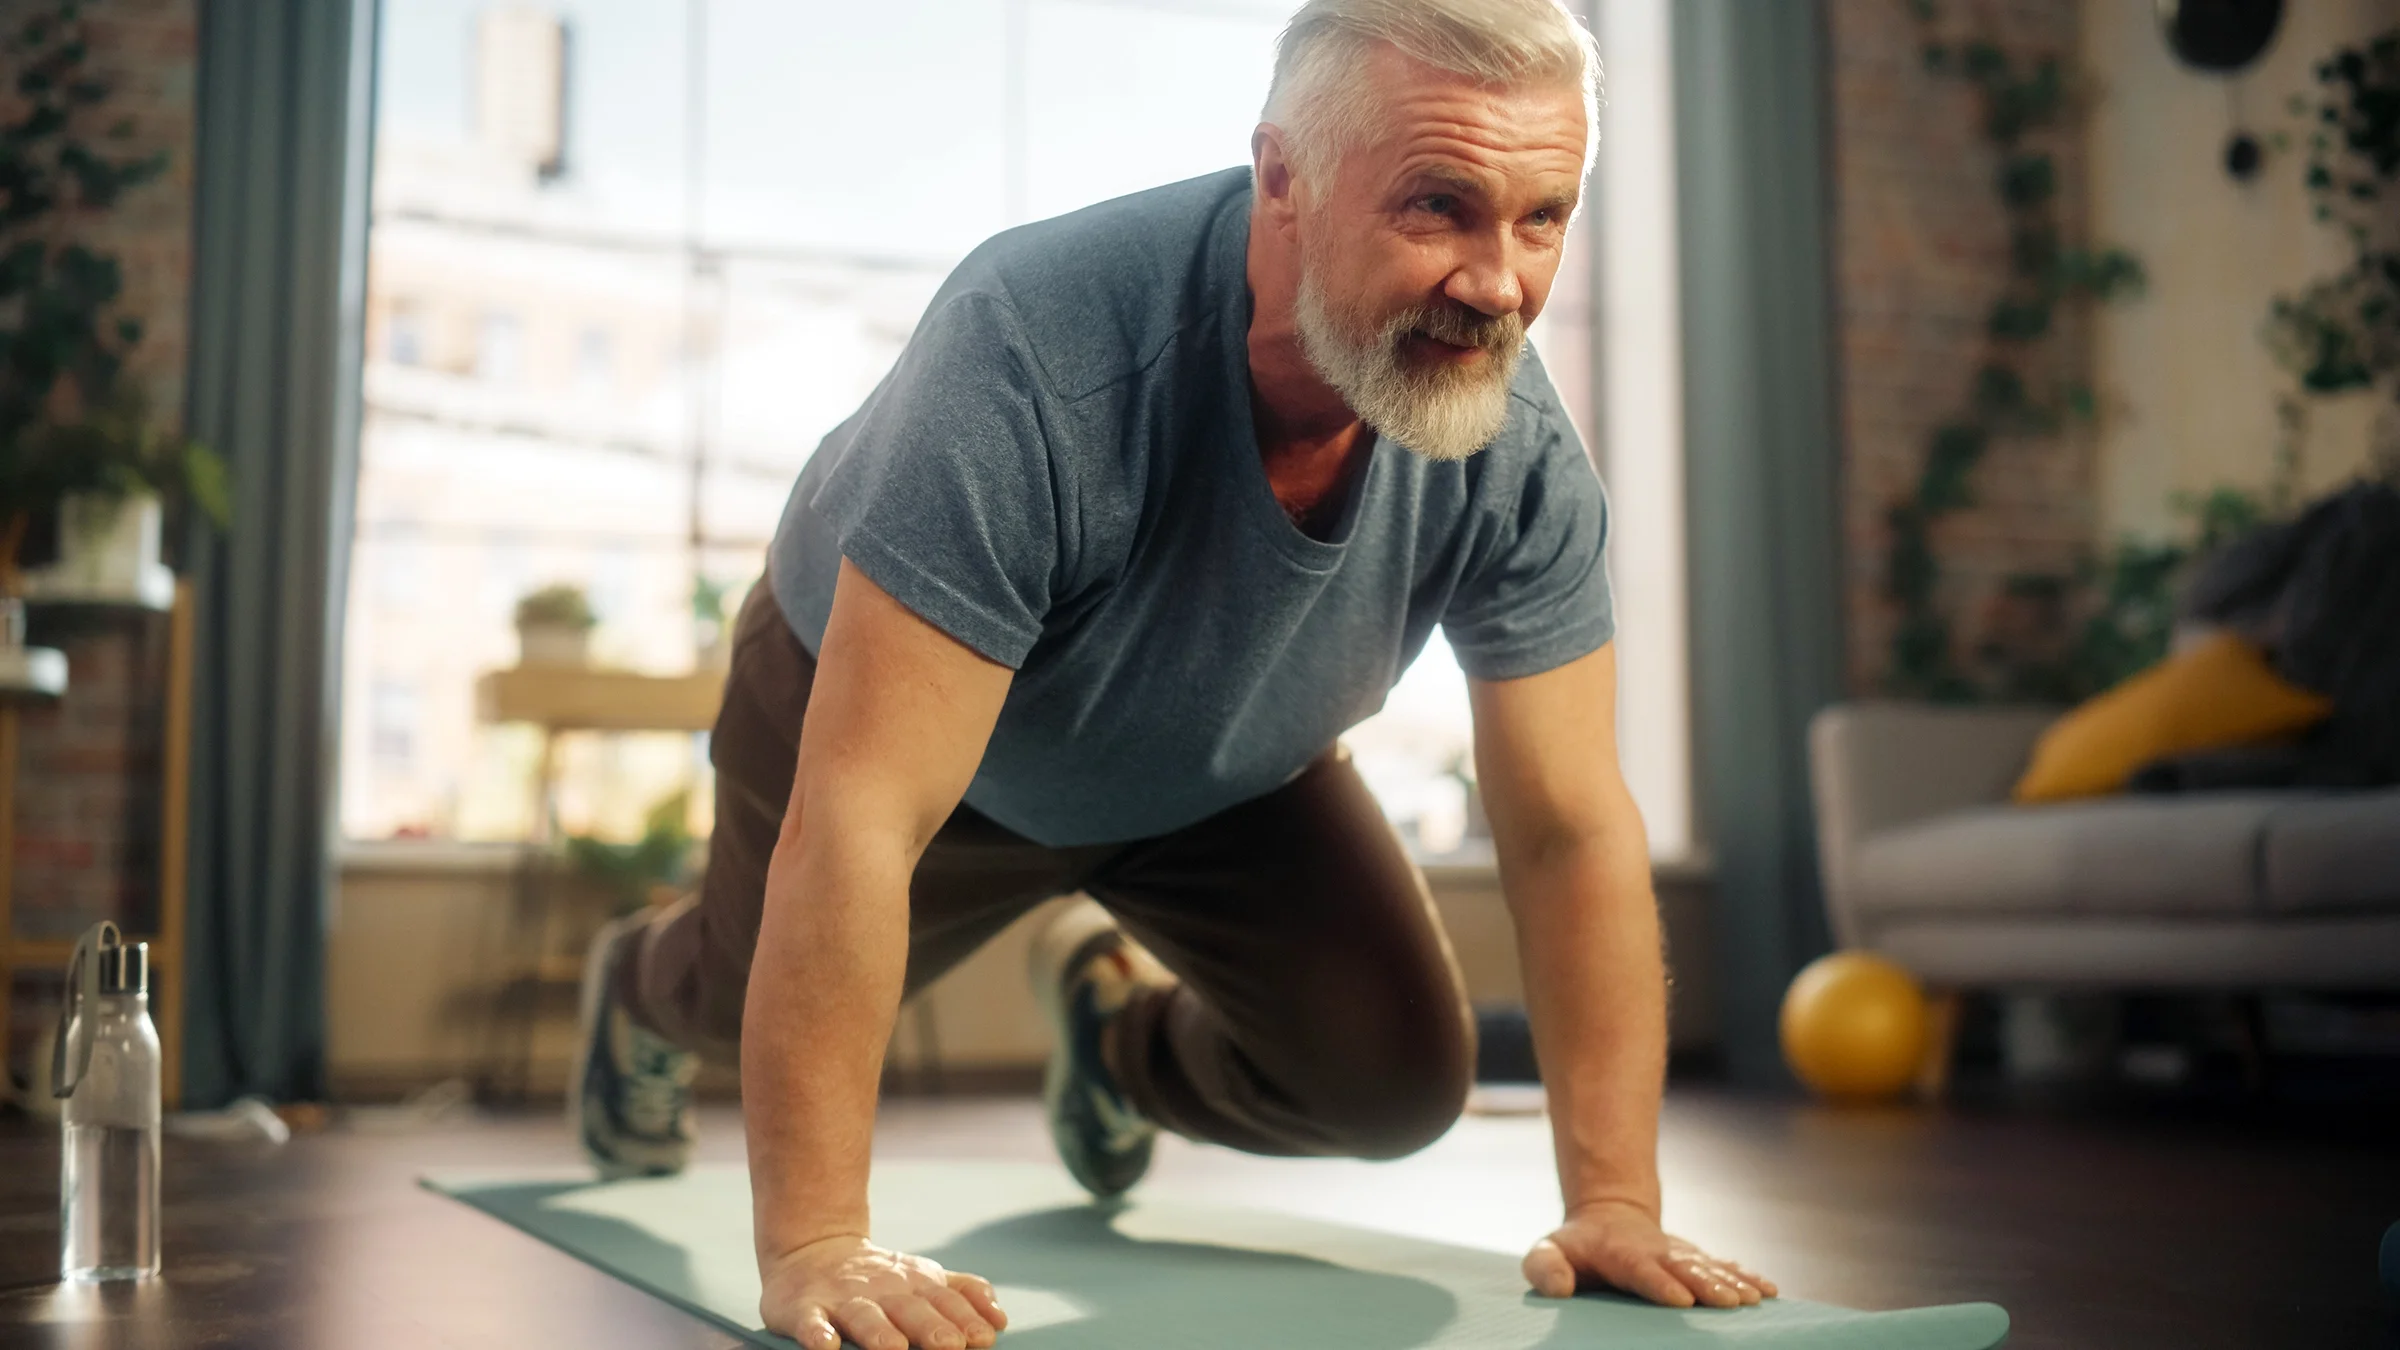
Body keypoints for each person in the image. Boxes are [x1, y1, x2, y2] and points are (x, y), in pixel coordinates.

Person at [569, 2, 1778, 1347]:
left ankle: (1111, 1031)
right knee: (730, 1005)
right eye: (1440, 207)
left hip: (1222, 759)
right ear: (1285, 182)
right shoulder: (1036, 351)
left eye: (1543, 217)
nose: (1500, 283)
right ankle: (638, 980)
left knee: (1392, 1089)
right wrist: (816, 1244)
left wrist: (1614, 1195)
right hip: (921, 749)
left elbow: (1565, 822)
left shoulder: (1514, 450)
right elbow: (860, 810)